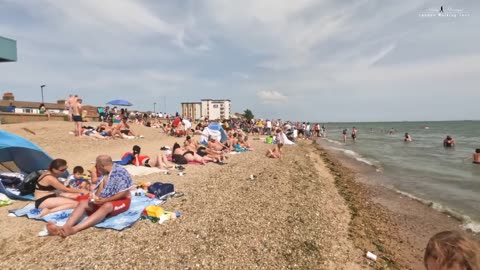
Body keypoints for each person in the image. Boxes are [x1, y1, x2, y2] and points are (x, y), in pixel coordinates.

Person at [47, 155, 134, 237]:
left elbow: (124, 193)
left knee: (107, 206)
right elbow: (99, 189)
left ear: (101, 166)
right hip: (105, 199)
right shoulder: (104, 174)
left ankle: (75, 229)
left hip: (122, 200)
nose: (96, 168)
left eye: (97, 166)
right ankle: (66, 227)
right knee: (84, 201)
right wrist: (94, 198)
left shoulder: (121, 173)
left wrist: (105, 200)